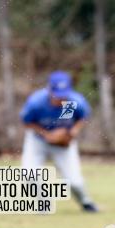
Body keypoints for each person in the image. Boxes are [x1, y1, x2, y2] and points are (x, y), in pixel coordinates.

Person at [21, 71, 99, 212]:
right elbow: (26, 122)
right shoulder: (37, 102)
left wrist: (73, 132)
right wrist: (46, 134)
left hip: (63, 144)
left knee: (74, 181)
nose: (60, 99)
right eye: (57, 95)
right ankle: (43, 203)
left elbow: (82, 117)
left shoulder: (72, 102)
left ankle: (86, 202)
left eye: (64, 94)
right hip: (38, 141)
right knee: (29, 174)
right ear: (49, 90)